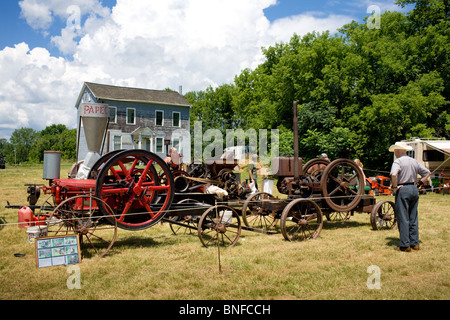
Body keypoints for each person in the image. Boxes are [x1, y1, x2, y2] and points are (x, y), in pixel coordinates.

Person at [389, 142, 430, 252]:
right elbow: (427, 172)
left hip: (403, 189)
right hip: (414, 189)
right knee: (413, 217)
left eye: (395, 151)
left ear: (399, 151)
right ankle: (415, 243)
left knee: (403, 218)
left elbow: (393, 174)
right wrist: (420, 183)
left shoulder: (397, 161)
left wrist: (395, 186)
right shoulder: (414, 161)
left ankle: (405, 245)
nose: (395, 153)